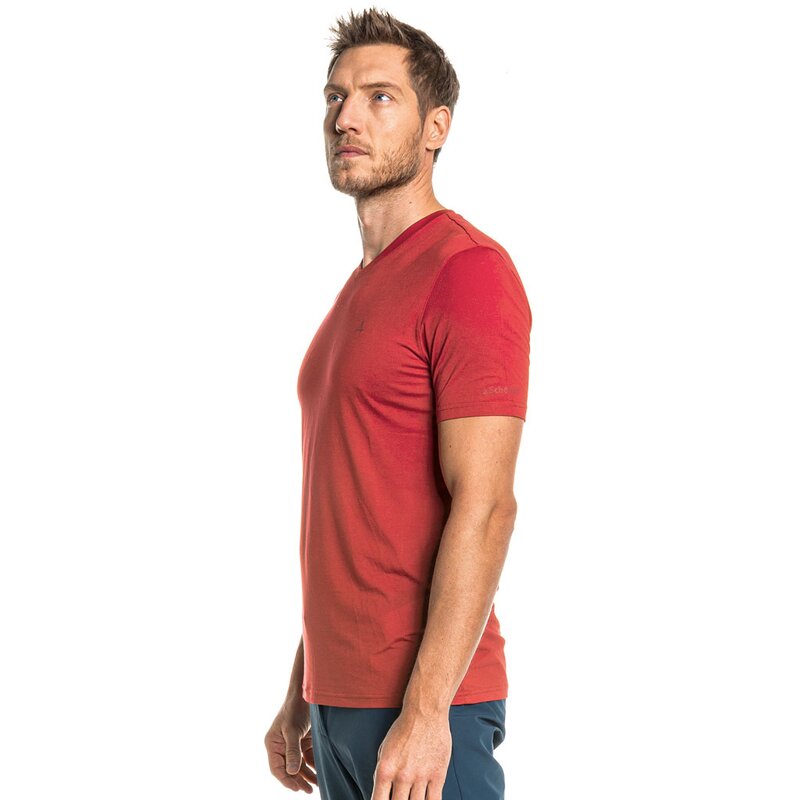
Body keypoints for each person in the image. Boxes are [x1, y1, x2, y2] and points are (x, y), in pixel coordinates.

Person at [265, 7, 532, 799]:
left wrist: (426, 712)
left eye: (380, 97)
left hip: (424, 707)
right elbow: (354, 514)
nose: (346, 118)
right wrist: (303, 689)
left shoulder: (467, 270)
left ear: (435, 127)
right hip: (338, 702)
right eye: (336, 97)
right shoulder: (360, 290)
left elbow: (486, 506)